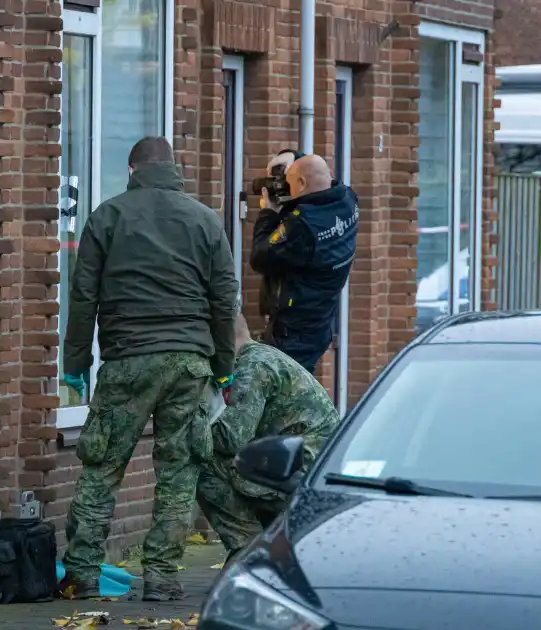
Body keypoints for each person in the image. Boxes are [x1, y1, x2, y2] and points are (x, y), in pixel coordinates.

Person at [58, 136, 239, 602]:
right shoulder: (205, 220)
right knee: (179, 472)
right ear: (174, 169)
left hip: (127, 359)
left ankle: (81, 573)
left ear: (133, 169)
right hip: (189, 362)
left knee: (102, 466)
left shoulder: (107, 216)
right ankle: (162, 577)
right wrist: (224, 366)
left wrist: (74, 362)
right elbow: (224, 301)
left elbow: (83, 297)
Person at [195, 313, 341, 561]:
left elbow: (231, 440)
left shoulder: (252, 367)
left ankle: (249, 552)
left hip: (300, 478)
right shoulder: (263, 357)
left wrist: (189, 414)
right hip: (309, 473)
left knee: (197, 459)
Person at [250, 152, 359, 374]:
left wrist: (268, 213)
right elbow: (315, 175)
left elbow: (260, 257)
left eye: (288, 184)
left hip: (294, 332)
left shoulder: (302, 226)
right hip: (320, 323)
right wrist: (292, 158)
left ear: (301, 183)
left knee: (283, 392)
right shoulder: (346, 199)